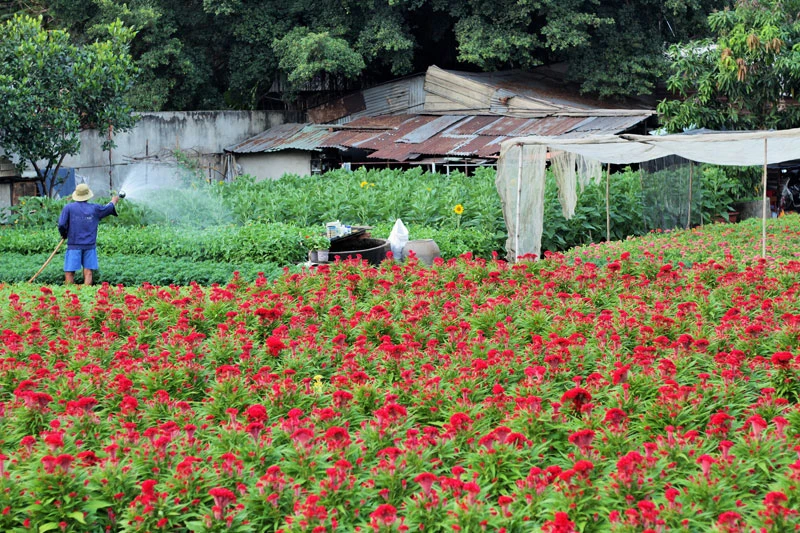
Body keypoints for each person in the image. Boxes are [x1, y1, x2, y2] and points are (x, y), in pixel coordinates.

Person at [57, 183, 119, 285]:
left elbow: (62, 224)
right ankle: (87, 292)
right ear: (88, 195)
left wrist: (64, 234)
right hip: (89, 245)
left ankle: (68, 293)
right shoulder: (95, 208)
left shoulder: (68, 208)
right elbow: (107, 208)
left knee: (69, 272)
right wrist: (114, 201)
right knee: (88, 272)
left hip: (74, 244)